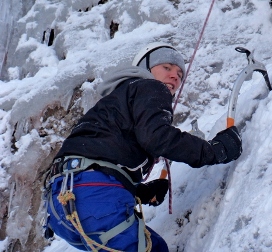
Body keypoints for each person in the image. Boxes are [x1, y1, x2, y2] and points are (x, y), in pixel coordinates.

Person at [43, 42, 242, 252]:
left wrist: (140, 192)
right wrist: (213, 151)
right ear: (145, 68)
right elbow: (157, 137)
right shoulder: (149, 86)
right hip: (93, 195)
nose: (175, 76)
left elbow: (100, 155)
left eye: (180, 74)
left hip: (60, 206)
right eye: (167, 67)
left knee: (154, 247)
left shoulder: (114, 103)